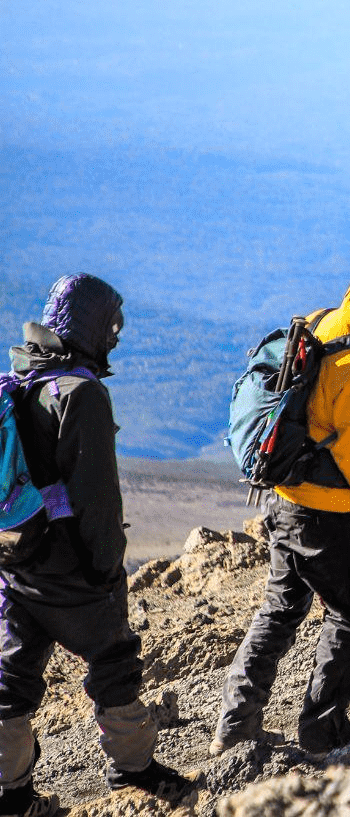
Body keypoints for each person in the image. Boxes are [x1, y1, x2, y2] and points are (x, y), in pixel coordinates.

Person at [215, 252, 350, 756]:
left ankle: (235, 724)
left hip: (283, 497)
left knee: (280, 608)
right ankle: (323, 732)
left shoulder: (318, 322)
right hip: (331, 514)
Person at [1, 276, 194, 812]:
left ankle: (10, 793)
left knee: (11, 674)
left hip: (17, 561)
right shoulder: (82, 393)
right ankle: (134, 771)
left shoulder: (23, 378)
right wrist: (107, 569)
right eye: (111, 326)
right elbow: (97, 499)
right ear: (93, 327)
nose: (115, 337)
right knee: (113, 660)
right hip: (71, 568)